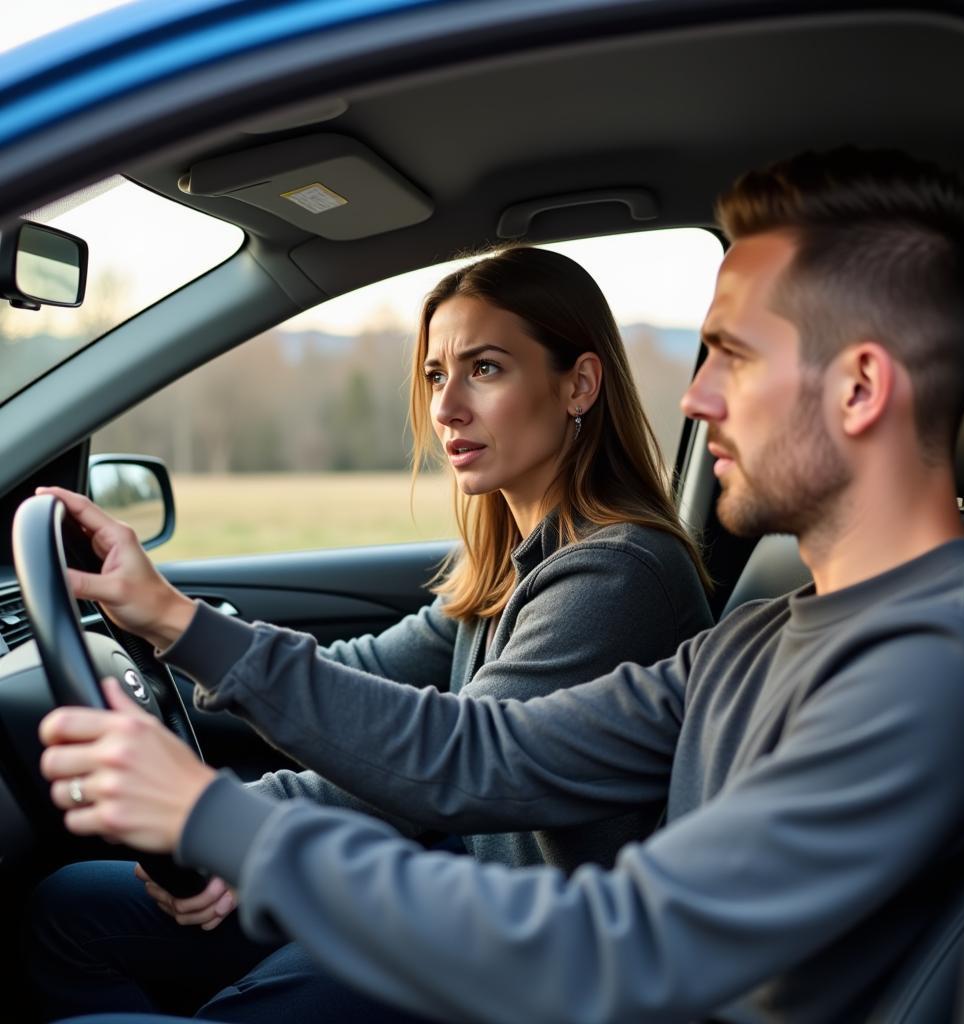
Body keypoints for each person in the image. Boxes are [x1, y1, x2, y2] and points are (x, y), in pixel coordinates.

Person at [37, 146, 964, 1024]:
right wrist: (174, 624)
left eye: (734, 358)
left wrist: (219, 820)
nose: (695, 397)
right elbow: (480, 752)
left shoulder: (934, 662)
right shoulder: (761, 635)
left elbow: (620, 948)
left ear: (860, 388)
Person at [29, 246, 713, 1022]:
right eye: (433, 375)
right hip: (451, 892)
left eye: (484, 369)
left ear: (578, 384)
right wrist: (154, 639)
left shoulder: (619, 575)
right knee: (65, 911)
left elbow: (450, 760)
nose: (446, 406)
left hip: (523, 961)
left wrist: (223, 819)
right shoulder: (509, 563)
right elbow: (365, 690)